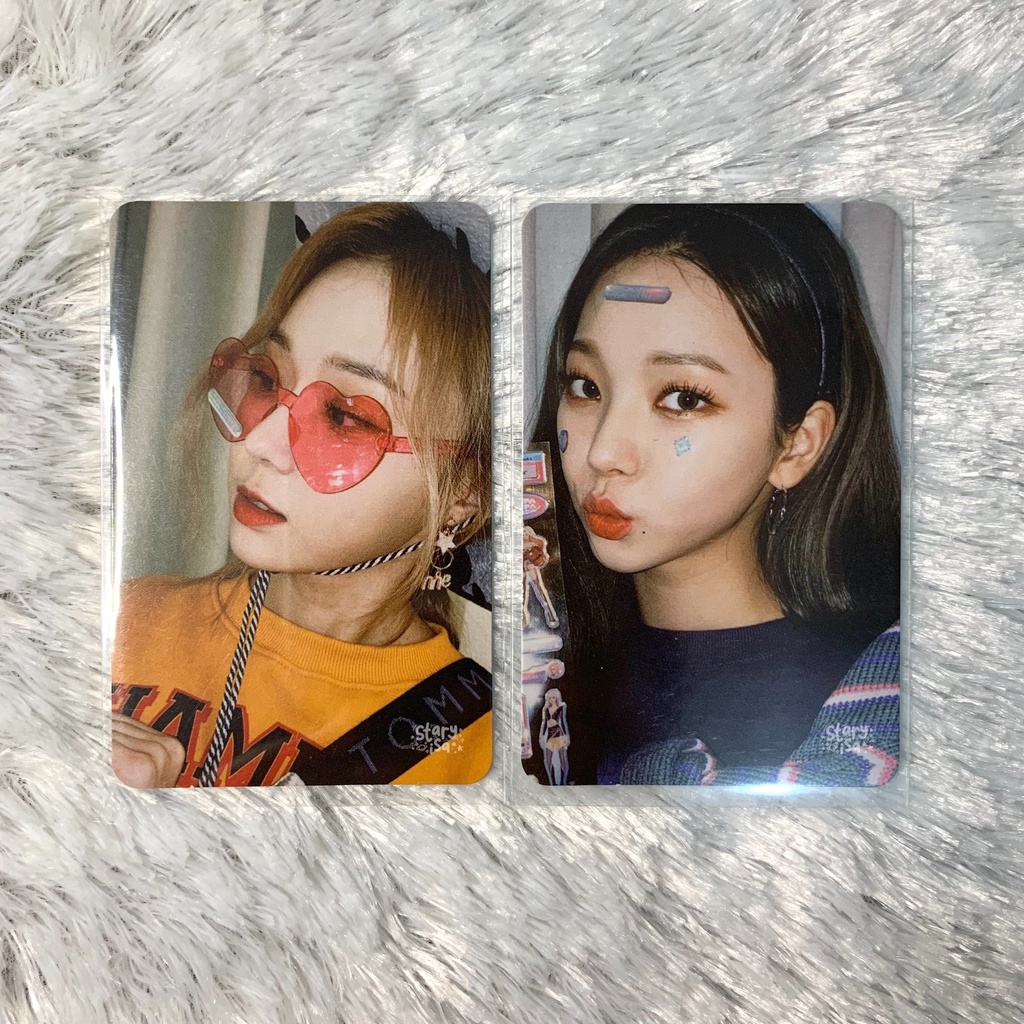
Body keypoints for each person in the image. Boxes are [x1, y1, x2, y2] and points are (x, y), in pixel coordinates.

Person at [111, 203, 492, 787]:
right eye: (267, 380)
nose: (260, 440)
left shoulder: (478, 751)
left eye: (343, 416)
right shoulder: (124, 619)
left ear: (463, 490)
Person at [530, 204, 900, 786]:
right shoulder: (524, 663)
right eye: (586, 386)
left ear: (796, 445)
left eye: (683, 398)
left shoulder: (885, 708)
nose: (603, 452)